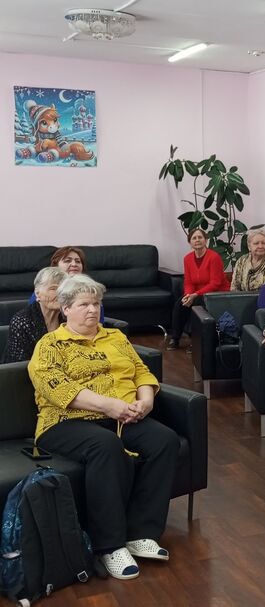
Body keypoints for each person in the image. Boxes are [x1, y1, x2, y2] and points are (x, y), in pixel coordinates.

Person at [28, 275, 179, 581]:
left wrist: (146, 401)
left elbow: (141, 372)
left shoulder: (116, 337)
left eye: (96, 303)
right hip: (65, 422)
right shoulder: (50, 345)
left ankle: (141, 533)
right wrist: (108, 405)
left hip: (121, 417)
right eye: (84, 304)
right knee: (106, 446)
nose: (93, 310)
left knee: (164, 440)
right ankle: (109, 546)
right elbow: (57, 387)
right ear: (66, 309)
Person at [168, 228, 229, 350]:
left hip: (215, 293)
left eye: (200, 237)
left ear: (205, 240)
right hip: (196, 293)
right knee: (180, 304)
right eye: (194, 238)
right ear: (190, 242)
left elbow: (215, 283)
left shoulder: (214, 257)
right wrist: (188, 295)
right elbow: (188, 282)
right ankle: (175, 338)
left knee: (196, 305)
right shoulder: (187, 258)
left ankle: (196, 342)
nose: (197, 240)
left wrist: (195, 295)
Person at [3, 267, 67, 363]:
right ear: (37, 293)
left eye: (63, 289)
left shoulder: (69, 316)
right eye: (53, 288)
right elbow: (18, 364)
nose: (60, 293)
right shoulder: (22, 321)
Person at [27, 246, 107, 322]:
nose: (74, 264)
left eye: (78, 261)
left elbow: (99, 322)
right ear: (56, 266)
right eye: (67, 261)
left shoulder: (91, 290)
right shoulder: (42, 291)